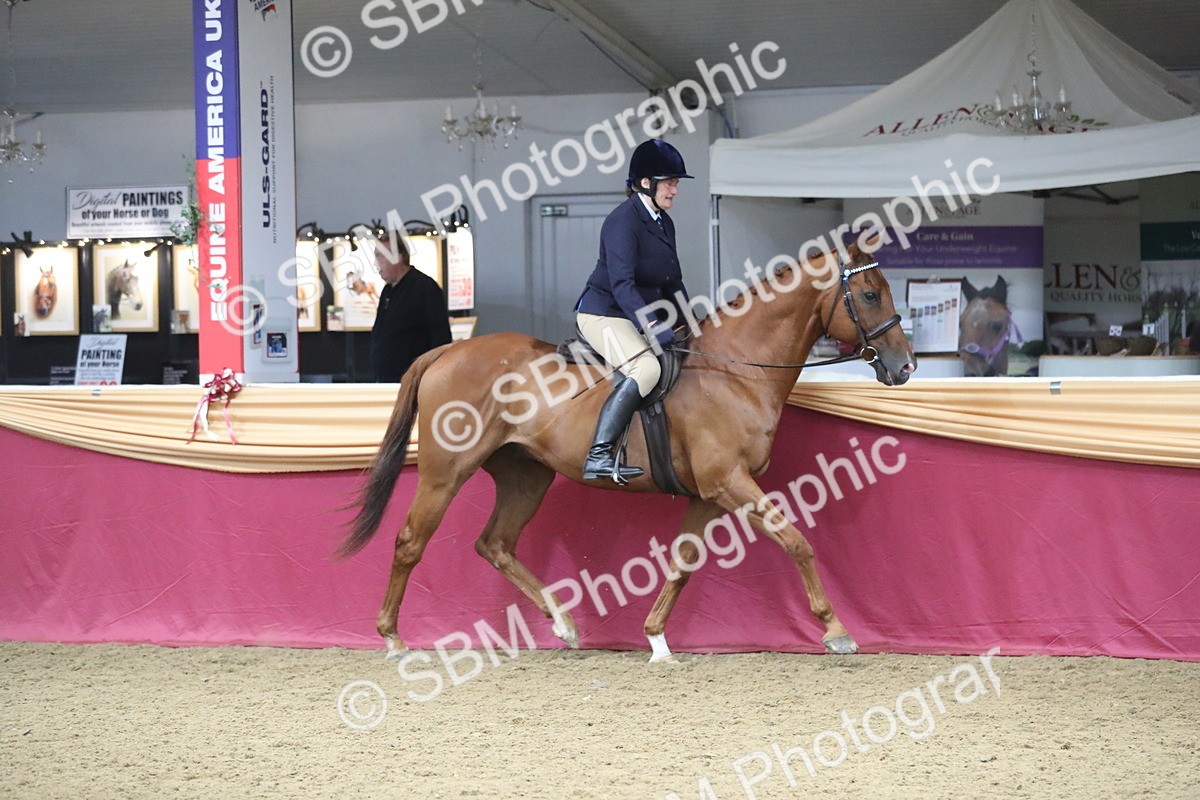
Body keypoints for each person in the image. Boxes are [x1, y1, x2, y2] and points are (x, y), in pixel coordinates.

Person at [574, 138, 693, 483]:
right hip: (604, 313)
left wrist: (693, 325)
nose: (675, 190)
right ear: (646, 183)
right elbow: (622, 284)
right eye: (671, 183)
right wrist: (655, 327)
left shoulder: (663, 221)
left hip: (634, 313)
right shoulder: (622, 222)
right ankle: (598, 455)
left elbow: (672, 282)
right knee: (645, 368)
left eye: (675, 184)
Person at [370, 233, 453, 382]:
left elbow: (440, 339)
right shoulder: (387, 291)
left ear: (399, 256)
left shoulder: (425, 288)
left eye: (381, 256)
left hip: (414, 381)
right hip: (387, 380)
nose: (377, 263)